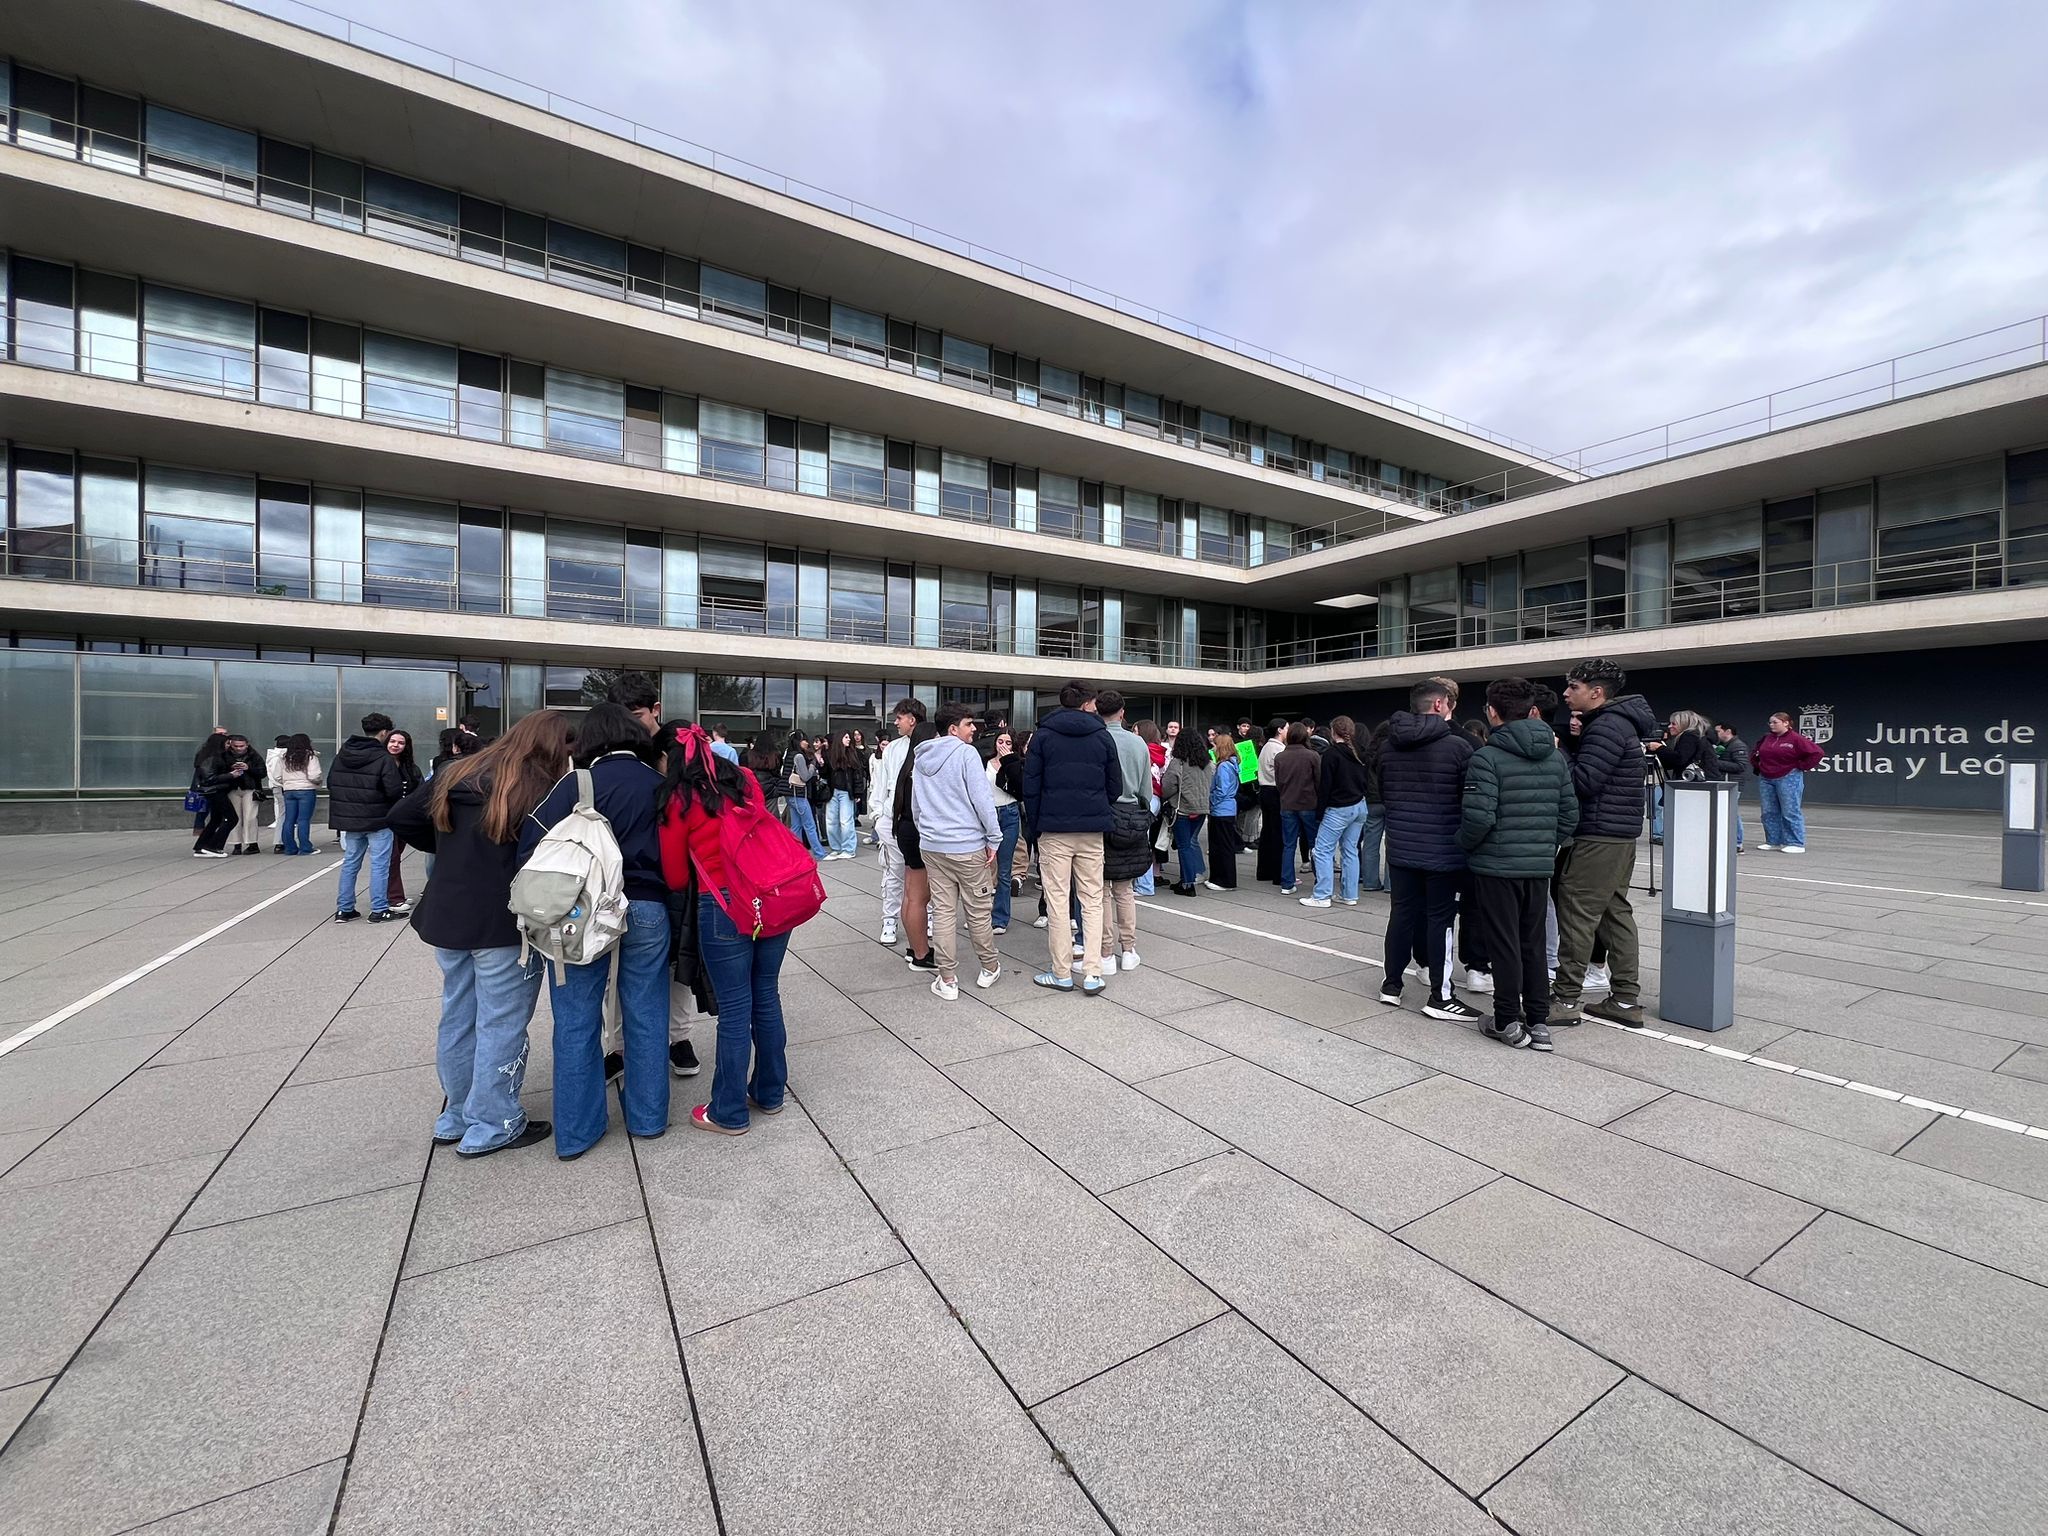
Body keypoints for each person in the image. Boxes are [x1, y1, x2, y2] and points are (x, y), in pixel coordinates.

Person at [387, 709, 570, 1157]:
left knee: (458, 1014)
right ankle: (493, 1122)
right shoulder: (540, 787)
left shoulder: (456, 771)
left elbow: (402, 817)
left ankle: (456, 1114)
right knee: (501, 1021)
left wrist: (450, 848)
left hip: (448, 914)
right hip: (504, 921)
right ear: (553, 746)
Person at [518, 702, 672, 1159]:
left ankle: (577, 1132)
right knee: (645, 1013)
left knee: (575, 1019)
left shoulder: (576, 784)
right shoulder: (659, 784)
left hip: (578, 914)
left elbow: (532, 846)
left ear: (589, 743)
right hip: (648, 906)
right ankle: (648, 1119)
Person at [658, 725, 792, 1136]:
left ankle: (729, 1111)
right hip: (771, 898)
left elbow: (676, 876)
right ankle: (769, 1093)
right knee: (766, 995)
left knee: (735, 1010)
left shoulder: (679, 798)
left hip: (723, 907)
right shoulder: (745, 780)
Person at [1457, 678, 1579, 1051]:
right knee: (1533, 940)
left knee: (1503, 943)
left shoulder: (1487, 757)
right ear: (1531, 711)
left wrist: (1464, 846)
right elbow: (1569, 816)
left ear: (1492, 713)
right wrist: (1545, 845)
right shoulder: (1555, 756)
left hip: (1496, 865)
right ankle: (1539, 1020)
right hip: (1538, 865)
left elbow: (1479, 819)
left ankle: (1507, 1018)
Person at [1550, 658, 1658, 1029]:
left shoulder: (1606, 727)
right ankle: (1625, 1001)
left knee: (1578, 913)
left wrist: (1559, 752)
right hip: (1617, 834)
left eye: (1574, 687)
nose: (1566, 693)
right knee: (1614, 913)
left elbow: (1583, 783)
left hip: (1598, 835)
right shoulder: (1616, 724)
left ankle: (1564, 1000)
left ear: (1596, 693)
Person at [1376, 680, 1481, 1022]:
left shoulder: (1388, 748)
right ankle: (1441, 995)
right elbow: (1470, 801)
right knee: (1441, 920)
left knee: (1402, 914)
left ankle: (1391, 985)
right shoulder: (1457, 748)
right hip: (1443, 849)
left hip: (1402, 846)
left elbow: (1385, 792)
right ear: (1440, 705)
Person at [1021, 680, 1120, 994]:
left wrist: (1037, 826)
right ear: (1088, 703)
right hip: (1092, 829)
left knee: (1058, 902)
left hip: (1054, 829)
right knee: (1092, 900)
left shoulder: (1044, 735)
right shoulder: (1102, 736)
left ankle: (1061, 971)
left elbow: (1031, 787)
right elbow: (1114, 786)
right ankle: (1093, 971)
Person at [912, 704, 1003, 999]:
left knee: (942, 912)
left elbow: (916, 807)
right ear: (953, 729)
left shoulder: (921, 758)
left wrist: (927, 831)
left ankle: (947, 979)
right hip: (967, 845)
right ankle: (989, 967)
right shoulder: (966, 754)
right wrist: (994, 838)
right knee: (977, 912)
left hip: (933, 845)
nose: (973, 729)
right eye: (968, 724)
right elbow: (982, 800)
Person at [329, 712, 408, 922]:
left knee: (350, 863)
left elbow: (331, 782)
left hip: (350, 819)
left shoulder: (343, 753)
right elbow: (393, 789)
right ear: (384, 732)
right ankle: (379, 908)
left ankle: (344, 909)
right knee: (380, 864)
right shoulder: (382, 757)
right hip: (378, 818)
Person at [1097, 690, 1151, 972]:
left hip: (1102, 814)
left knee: (1102, 890)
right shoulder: (1137, 742)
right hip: (1130, 814)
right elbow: (1145, 788)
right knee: (1125, 889)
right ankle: (1128, 949)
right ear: (1122, 712)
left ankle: (1105, 954)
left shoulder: (1096, 739)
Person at [869, 698, 926, 944]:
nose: (896, 722)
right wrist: (878, 815)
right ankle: (889, 919)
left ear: (912, 719)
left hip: (923, 822)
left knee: (925, 874)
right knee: (893, 873)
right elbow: (881, 785)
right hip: (894, 820)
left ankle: (928, 915)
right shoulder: (892, 748)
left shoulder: (930, 745)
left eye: (899, 718)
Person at [1303, 716, 1371, 907]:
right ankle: (1349, 895)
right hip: (1359, 805)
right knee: (1350, 851)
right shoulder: (1360, 752)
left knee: (1322, 850)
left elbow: (1325, 786)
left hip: (1339, 808)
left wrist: (1319, 812)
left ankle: (1322, 895)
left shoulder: (1332, 754)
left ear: (1333, 732)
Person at [893, 721, 939, 972]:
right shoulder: (923, 768)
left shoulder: (909, 765)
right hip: (918, 832)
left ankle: (915, 947)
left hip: (906, 830)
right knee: (919, 898)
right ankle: (921, 953)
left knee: (911, 895)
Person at [1753, 710, 1822, 853]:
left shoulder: (1795, 739)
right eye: (1770, 722)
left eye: (1775, 722)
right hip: (1766, 777)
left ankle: (1796, 842)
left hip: (1788, 776)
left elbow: (1817, 753)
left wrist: (1802, 766)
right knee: (1768, 811)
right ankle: (1773, 841)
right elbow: (1756, 752)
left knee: (1790, 810)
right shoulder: (1767, 738)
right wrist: (1757, 765)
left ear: (1786, 723)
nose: (1772, 725)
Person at [1160, 722, 1214, 897]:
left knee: (1184, 847)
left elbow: (1167, 787)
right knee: (1190, 843)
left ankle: (1187, 884)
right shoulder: (1207, 763)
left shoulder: (1178, 763)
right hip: (1201, 810)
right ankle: (1188, 878)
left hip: (1181, 809)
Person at [1273, 723, 1320, 896]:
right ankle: (1320, 880)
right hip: (1308, 803)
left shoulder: (1280, 757)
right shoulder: (1313, 756)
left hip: (1287, 803)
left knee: (1289, 844)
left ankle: (1287, 882)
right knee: (1315, 845)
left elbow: (1278, 783)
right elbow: (1318, 781)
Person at [383, 729, 425, 916]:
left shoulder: (410, 767)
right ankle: (393, 897)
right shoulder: (381, 763)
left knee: (395, 857)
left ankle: (394, 894)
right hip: (384, 818)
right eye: (392, 741)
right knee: (390, 859)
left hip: (403, 819)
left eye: (400, 743)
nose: (395, 745)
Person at [988, 728, 1025, 933]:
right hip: (987, 815)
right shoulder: (984, 763)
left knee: (1004, 869)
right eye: (1000, 741)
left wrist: (1009, 760)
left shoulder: (1017, 763)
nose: (1003, 745)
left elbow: (1021, 788)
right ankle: (980, 913)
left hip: (1009, 813)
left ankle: (1000, 918)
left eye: (1008, 742)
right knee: (983, 869)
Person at [188, 735, 248, 857]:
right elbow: (209, 778)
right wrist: (231, 775)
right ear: (219, 744)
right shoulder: (212, 758)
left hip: (214, 791)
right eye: (227, 743)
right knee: (231, 819)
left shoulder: (209, 755)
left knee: (216, 820)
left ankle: (201, 846)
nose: (229, 746)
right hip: (215, 791)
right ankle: (214, 846)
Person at [271, 733, 323, 855]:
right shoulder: (310, 757)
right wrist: (317, 782)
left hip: (289, 791)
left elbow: (277, 776)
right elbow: (314, 775)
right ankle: (305, 848)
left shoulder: (284, 757)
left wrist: (286, 783)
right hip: (306, 790)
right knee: (303, 820)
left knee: (288, 819)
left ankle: (290, 848)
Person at [1203, 725, 1241, 891]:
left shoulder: (1224, 766)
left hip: (1221, 809)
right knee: (1223, 846)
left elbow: (1222, 790)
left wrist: (1211, 800)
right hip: (1228, 808)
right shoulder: (1232, 764)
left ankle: (1224, 880)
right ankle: (1221, 879)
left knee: (1220, 846)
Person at [218, 732, 267, 854]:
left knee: (250, 816)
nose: (239, 748)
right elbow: (218, 770)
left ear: (247, 745)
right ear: (231, 745)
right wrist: (231, 769)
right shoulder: (224, 755)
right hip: (232, 788)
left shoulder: (254, 755)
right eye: (236, 746)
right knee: (235, 817)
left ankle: (252, 843)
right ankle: (236, 844)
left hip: (250, 788)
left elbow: (262, 772)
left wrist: (248, 768)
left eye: (242, 746)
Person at [780, 734, 828, 858]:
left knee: (796, 826)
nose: (807, 743)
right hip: (798, 794)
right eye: (804, 740)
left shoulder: (789, 754)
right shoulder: (799, 756)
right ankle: (819, 853)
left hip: (789, 794)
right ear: (798, 741)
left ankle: (796, 853)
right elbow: (805, 776)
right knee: (810, 825)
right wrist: (812, 765)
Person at [1132, 719, 1165, 897]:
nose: (1133, 735)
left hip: (1146, 797)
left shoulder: (1144, 751)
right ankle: (1144, 883)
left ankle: (1144, 885)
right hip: (1155, 798)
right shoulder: (1160, 751)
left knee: (1140, 843)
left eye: (1136, 732)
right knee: (1144, 842)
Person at [1358, 720, 1392, 893]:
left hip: (1372, 800)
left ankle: (1370, 881)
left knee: (1371, 842)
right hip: (1391, 800)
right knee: (1392, 843)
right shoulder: (1394, 751)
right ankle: (1390, 884)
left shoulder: (1369, 753)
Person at [1255, 717, 1287, 885]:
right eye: (1286, 728)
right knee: (1276, 833)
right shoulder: (1278, 749)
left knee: (1267, 832)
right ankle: (1277, 872)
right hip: (1275, 791)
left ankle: (1264, 870)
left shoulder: (1267, 747)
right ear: (1280, 730)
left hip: (1265, 790)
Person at [1713, 720, 1753, 852]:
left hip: (1732, 784)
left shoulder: (1737, 745)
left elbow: (1741, 766)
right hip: (1724, 782)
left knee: (1731, 813)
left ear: (1728, 731)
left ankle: (1737, 842)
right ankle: (1729, 840)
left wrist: (1715, 762)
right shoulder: (1722, 745)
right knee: (1725, 813)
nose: (1716, 734)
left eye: (1718, 731)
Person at [824, 731, 864, 859]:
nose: (849, 739)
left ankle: (848, 849)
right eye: (846, 737)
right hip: (832, 791)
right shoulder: (831, 755)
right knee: (831, 822)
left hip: (846, 792)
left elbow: (858, 775)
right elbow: (825, 773)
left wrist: (858, 792)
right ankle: (836, 847)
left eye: (849, 737)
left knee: (846, 821)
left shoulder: (853, 754)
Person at [605, 671, 663, 737]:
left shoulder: (673, 744)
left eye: (636, 717)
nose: (629, 725)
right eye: (621, 719)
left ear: (655, 709)